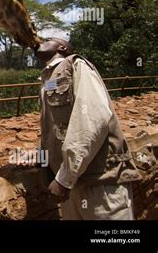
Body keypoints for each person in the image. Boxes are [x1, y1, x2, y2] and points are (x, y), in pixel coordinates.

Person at [32, 37, 141, 220]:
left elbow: (93, 118)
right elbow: (55, 128)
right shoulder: (48, 78)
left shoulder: (76, 65)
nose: (40, 40)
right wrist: (42, 158)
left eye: (48, 38)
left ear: (62, 46)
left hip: (99, 183)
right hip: (71, 186)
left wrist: (64, 178)